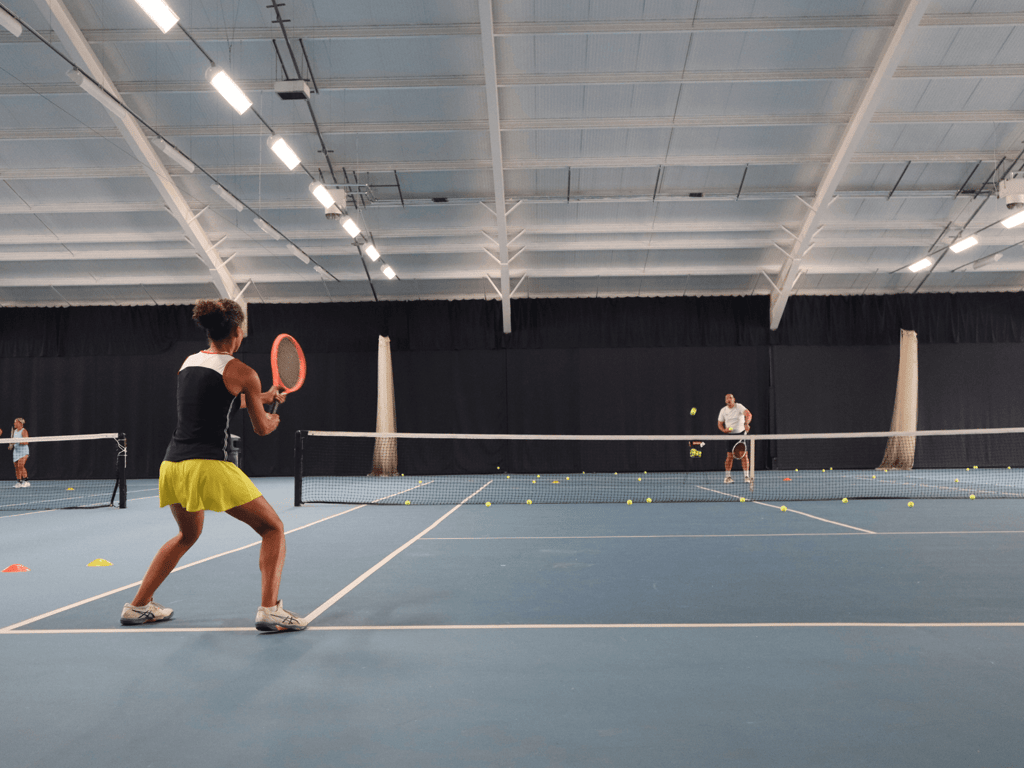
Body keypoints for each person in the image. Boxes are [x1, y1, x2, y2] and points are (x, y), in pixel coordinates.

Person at [121, 299, 307, 633]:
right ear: (237, 332)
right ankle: (270, 610)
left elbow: (217, 399)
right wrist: (271, 417)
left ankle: (137, 606)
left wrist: (264, 395)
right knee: (273, 528)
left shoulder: (188, 362)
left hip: (173, 466)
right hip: (209, 467)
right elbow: (261, 428)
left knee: (186, 536)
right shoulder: (243, 371)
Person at [717, 394, 752, 485]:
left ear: (734, 399)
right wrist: (724, 430)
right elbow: (720, 424)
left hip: (741, 434)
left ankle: (746, 477)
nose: (729, 400)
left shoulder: (739, 406)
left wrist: (746, 423)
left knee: (744, 456)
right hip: (730, 435)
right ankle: (727, 477)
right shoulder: (723, 411)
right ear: (725, 401)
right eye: (727, 398)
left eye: (730, 398)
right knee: (729, 456)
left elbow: (748, 414)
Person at [9, 418, 29, 488]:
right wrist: (11, 445)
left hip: (24, 451)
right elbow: (12, 442)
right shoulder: (14, 431)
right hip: (16, 451)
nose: (14, 424)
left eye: (15, 422)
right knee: (17, 467)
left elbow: (26, 442)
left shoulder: (24, 431)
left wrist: (17, 441)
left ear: (20, 423)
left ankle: (26, 481)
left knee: (21, 465)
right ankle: (19, 482)